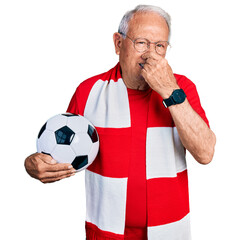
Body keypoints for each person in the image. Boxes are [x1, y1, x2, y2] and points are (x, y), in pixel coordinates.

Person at [24, 5, 216, 240]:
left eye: (160, 46)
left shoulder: (181, 89)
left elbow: (205, 153)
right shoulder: (89, 91)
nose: (150, 55)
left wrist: (169, 91)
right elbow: (60, 153)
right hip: (105, 233)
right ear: (118, 44)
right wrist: (32, 165)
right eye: (142, 43)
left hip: (170, 231)